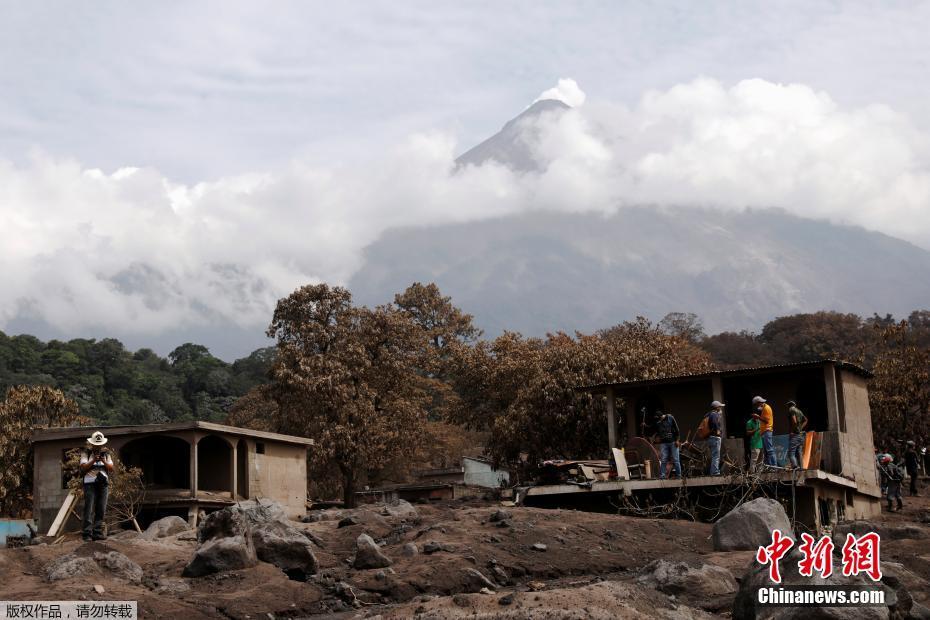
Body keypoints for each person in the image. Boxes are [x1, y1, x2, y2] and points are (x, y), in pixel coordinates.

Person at [79, 431, 114, 541]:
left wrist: (103, 460)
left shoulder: (106, 454)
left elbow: (111, 468)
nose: (98, 447)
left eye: (100, 445)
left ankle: (97, 532)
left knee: (101, 508)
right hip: (90, 484)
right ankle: (87, 534)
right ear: (92, 444)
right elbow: (83, 467)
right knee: (88, 509)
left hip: (103, 484)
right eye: (96, 444)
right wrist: (94, 459)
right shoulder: (86, 453)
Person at [652, 410, 681, 480]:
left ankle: (679, 475)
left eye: (659, 418)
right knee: (663, 459)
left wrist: (677, 440)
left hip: (673, 442)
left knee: (676, 459)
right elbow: (656, 431)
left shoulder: (670, 418)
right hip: (663, 443)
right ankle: (662, 476)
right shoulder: (658, 423)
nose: (659, 420)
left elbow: (677, 430)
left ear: (661, 416)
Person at [751, 396, 776, 466]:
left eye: (756, 404)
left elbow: (767, 421)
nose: (756, 406)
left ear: (759, 403)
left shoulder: (766, 408)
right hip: (764, 432)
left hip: (767, 431)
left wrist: (758, 417)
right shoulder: (764, 408)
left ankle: (774, 466)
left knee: (770, 450)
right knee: (766, 451)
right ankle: (769, 466)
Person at [704, 401, 724, 475]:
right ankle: (715, 472)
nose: (721, 408)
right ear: (717, 407)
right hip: (715, 437)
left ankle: (713, 471)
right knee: (716, 456)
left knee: (714, 455)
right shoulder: (714, 414)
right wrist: (718, 431)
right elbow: (715, 424)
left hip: (710, 438)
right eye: (720, 407)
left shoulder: (708, 414)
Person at [787, 400, 807, 469]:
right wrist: (800, 428)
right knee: (799, 453)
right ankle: (801, 468)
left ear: (789, 405)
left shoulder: (791, 409)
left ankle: (795, 467)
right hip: (801, 435)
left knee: (791, 453)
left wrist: (793, 430)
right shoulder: (800, 411)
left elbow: (794, 421)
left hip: (795, 434)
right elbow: (806, 420)